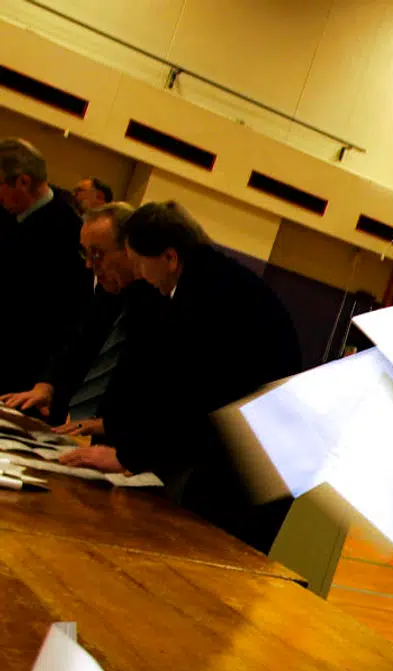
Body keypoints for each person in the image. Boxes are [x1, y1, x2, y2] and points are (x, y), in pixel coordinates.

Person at [60, 201, 301, 551]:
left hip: (252, 469)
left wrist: (128, 454)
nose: (139, 274)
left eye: (141, 262)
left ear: (170, 258)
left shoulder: (209, 298)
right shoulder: (208, 282)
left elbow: (191, 397)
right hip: (246, 455)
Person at [0, 203, 155, 425]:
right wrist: (47, 385)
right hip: (73, 425)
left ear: (130, 249)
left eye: (97, 254)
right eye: (86, 253)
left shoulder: (160, 303)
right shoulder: (107, 290)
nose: (89, 265)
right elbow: (77, 343)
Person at [0, 139, 92, 392]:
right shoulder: (6, 213)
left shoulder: (70, 233)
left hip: (22, 372)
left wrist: (47, 380)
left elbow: (70, 317)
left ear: (23, 182)